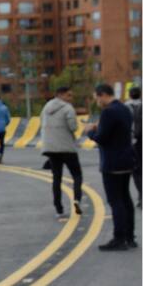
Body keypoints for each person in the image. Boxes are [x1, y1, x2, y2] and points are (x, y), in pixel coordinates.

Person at [86, 83, 136, 251]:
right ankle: (130, 237)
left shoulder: (108, 112)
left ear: (102, 95)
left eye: (96, 98)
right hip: (127, 159)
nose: (97, 101)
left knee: (115, 200)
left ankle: (119, 238)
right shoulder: (124, 108)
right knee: (126, 198)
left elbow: (101, 138)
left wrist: (90, 131)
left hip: (112, 162)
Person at [40, 87, 83, 218]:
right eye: (69, 95)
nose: (71, 98)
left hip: (51, 148)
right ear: (61, 95)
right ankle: (76, 199)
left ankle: (59, 209)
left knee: (56, 178)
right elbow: (73, 127)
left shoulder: (46, 107)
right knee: (77, 175)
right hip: (67, 147)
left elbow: (42, 123)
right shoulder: (68, 108)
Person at [125, 86, 142, 207]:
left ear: (129, 95)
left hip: (130, 141)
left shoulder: (124, 107)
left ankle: (141, 195)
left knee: (136, 170)